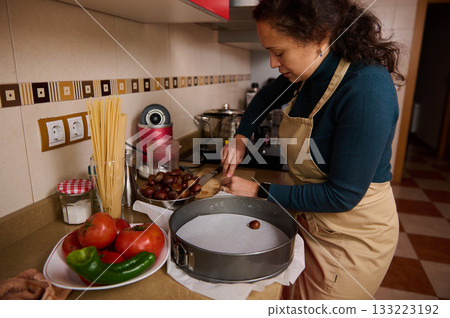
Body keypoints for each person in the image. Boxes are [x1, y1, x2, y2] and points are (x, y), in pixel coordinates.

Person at [220, 0, 404, 300]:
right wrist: (242, 135)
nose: (272, 63)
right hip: (311, 222)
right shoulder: (312, 73)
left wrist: (258, 191)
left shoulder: (366, 89)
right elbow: (268, 94)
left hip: (350, 240)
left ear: (320, 37)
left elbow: (342, 195)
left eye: (279, 52)